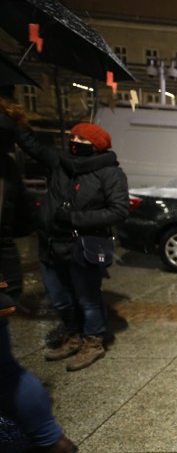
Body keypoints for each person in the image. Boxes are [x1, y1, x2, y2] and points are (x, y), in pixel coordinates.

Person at [7, 116, 128, 371]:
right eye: (73, 137)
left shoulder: (110, 173)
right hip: (51, 242)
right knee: (59, 298)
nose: (75, 142)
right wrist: (12, 116)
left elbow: (118, 210)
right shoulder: (61, 164)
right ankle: (73, 335)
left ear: (96, 145)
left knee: (88, 299)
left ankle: (92, 341)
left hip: (83, 246)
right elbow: (33, 145)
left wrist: (74, 218)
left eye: (82, 139)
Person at [0, 99, 78, 453]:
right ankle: (46, 437)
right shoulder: (7, 160)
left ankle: (47, 438)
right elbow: (20, 223)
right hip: (6, 267)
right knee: (4, 365)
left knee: (3, 367)